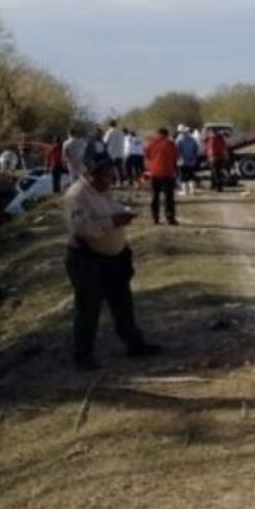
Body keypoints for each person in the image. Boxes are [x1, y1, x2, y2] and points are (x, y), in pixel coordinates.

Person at [64, 153, 162, 370]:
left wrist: (123, 214)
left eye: (112, 174)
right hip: (87, 260)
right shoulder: (76, 196)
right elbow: (81, 229)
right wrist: (114, 221)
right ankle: (83, 355)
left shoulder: (102, 190)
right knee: (88, 308)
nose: (112, 179)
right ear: (93, 175)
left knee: (123, 304)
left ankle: (134, 344)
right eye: (108, 175)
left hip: (114, 260)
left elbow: (110, 211)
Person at [144, 127, 179, 225]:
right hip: (168, 172)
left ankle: (155, 218)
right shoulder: (170, 144)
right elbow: (175, 157)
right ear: (167, 134)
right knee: (169, 197)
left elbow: (147, 157)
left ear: (157, 133)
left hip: (155, 172)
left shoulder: (151, 143)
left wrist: (148, 170)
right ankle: (170, 218)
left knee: (155, 196)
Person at [175, 125, 200, 195]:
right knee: (191, 175)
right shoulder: (192, 139)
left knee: (183, 175)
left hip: (182, 161)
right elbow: (196, 149)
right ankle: (193, 190)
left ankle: (185, 191)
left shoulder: (178, 139)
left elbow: (177, 150)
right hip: (192, 160)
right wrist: (194, 157)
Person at [206, 127, 229, 191]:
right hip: (221, 157)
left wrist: (211, 157)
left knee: (215, 172)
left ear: (212, 132)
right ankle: (218, 186)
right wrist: (225, 155)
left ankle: (218, 187)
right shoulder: (221, 138)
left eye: (210, 131)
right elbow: (224, 147)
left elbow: (211, 148)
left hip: (214, 157)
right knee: (219, 172)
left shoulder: (213, 139)